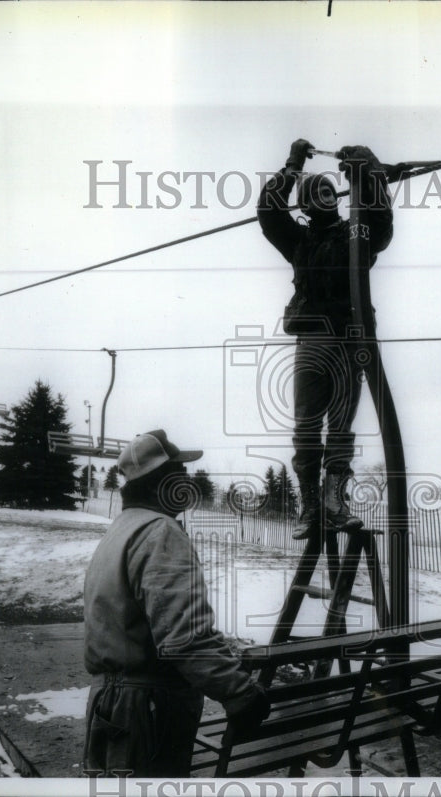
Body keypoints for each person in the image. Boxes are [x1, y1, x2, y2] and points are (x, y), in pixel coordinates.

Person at [82, 430, 270, 777]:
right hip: (147, 709)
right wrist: (241, 694)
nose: (187, 481)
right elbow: (184, 639)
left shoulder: (122, 528)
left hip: (113, 702)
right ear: (160, 484)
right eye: (179, 473)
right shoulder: (161, 533)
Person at [257, 138, 394, 540]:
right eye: (315, 192)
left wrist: (366, 169)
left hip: (351, 340)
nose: (326, 196)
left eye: (331, 190)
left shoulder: (357, 233)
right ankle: (310, 505)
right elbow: (268, 211)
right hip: (313, 340)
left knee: (340, 426)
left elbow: (380, 221)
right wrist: (293, 163)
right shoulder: (298, 240)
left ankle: (335, 502)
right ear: (304, 204)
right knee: (306, 425)